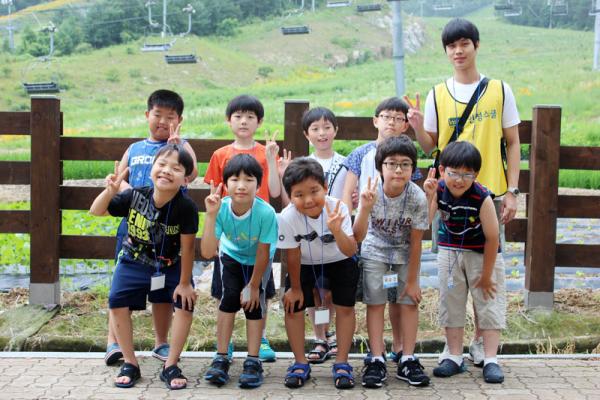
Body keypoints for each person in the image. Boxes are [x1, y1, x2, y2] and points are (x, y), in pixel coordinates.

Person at [406, 17, 520, 367]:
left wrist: (513, 191)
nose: (458, 51)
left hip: (490, 193)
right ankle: (453, 348)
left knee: (487, 269)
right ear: (446, 51)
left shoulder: (500, 90)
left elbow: (513, 142)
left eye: (464, 44)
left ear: (476, 46)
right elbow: (431, 147)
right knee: (451, 272)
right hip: (449, 194)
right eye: (451, 46)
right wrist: (416, 127)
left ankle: (481, 345)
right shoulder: (437, 94)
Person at [90, 144, 198, 390]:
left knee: (185, 302)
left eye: (176, 168)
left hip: (169, 264)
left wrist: (184, 283)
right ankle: (130, 363)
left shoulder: (186, 207)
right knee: (117, 300)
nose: (167, 171)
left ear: (185, 179)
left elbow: (189, 247)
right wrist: (110, 191)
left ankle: (171, 365)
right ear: (151, 169)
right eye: (162, 164)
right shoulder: (135, 195)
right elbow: (96, 211)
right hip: (133, 260)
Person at [105, 89, 198, 366]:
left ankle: (161, 342)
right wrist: (135, 196)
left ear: (179, 120)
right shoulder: (135, 148)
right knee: (119, 287)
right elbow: (121, 176)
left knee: (163, 288)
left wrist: (179, 145)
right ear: (147, 115)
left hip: (167, 229)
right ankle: (113, 343)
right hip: (133, 225)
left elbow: (192, 173)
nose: (163, 121)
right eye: (158, 115)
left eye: (171, 117)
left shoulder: (181, 147)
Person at [203, 94, 284, 362]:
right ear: (229, 121)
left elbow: (274, 192)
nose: (244, 121)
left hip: (259, 230)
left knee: (260, 291)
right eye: (238, 116)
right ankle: (223, 346)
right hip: (230, 233)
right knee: (226, 292)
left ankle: (260, 340)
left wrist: (271, 159)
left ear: (259, 122)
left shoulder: (265, 152)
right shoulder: (220, 155)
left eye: (250, 116)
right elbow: (215, 193)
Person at [341, 97, 418, 363]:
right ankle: (377, 351)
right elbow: (347, 191)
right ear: (376, 120)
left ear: (405, 125)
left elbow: (414, 196)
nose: (391, 123)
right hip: (369, 234)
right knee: (375, 296)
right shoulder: (361, 153)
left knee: (397, 295)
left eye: (398, 118)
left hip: (400, 241)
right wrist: (349, 224)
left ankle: (400, 346)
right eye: (386, 117)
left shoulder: (407, 154)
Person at [423, 141, 506, 384]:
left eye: (467, 174)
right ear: (442, 170)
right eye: (454, 173)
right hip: (450, 251)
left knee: (488, 302)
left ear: (475, 174)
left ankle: (491, 359)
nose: (459, 180)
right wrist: (429, 197)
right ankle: (454, 356)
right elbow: (425, 221)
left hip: (482, 253)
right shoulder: (438, 189)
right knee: (451, 301)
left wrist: (487, 275)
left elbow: (493, 238)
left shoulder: (482, 197)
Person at [353, 136, 430, 388]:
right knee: (375, 303)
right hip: (374, 252)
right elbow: (358, 236)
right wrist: (364, 208)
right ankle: (376, 358)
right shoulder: (371, 192)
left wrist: (413, 281)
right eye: (392, 163)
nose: (398, 170)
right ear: (380, 167)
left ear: (413, 168)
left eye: (405, 164)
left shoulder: (417, 197)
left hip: (404, 253)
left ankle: (407, 357)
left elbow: (417, 241)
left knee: (409, 301)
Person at [278, 157, 359, 390]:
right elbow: (292, 254)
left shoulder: (338, 208)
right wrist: (295, 289)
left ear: (325, 186)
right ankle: (300, 362)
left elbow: (351, 250)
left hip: (340, 260)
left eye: (314, 191)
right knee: (293, 305)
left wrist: (336, 230)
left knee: (345, 308)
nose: (308, 200)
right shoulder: (287, 216)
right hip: (304, 264)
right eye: (299, 194)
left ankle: (342, 362)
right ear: (290, 196)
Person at [201, 154, 278, 388]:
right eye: (235, 179)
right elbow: (207, 251)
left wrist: (253, 285)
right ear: (225, 184)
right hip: (231, 257)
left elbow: (263, 252)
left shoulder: (266, 213)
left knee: (254, 305)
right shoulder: (221, 208)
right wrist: (211, 215)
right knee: (228, 300)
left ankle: (253, 361)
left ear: (259, 185)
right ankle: (221, 356)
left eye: (249, 180)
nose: (241, 185)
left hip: (258, 261)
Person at [302, 106, 349, 361]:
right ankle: (320, 337)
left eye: (327, 127)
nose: (322, 133)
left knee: (330, 293)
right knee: (316, 292)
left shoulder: (346, 164)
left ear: (336, 130)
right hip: (310, 237)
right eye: (315, 129)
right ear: (306, 134)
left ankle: (330, 334)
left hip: (336, 234)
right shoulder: (303, 165)